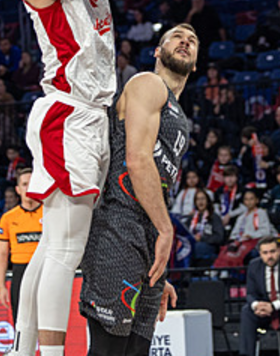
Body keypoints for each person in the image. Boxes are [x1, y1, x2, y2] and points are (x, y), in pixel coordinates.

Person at [0, 0, 140, 356]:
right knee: (64, 249)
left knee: (55, 245)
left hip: (87, 115)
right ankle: (51, 353)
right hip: (67, 113)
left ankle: (24, 348)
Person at [79, 24, 198, 355]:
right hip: (118, 225)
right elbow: (138, 160)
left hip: (143, 242)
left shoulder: (178, 113)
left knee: (136, 351)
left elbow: (158, 182)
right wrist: (165, 229)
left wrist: (154, 269)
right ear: (157, 52)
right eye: (176, 37)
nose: (185, 42)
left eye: (192, 41)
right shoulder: (148, 83)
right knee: (109, 349)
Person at [0, 168, 43, 322]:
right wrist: (2, 286)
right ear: (18, 189)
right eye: (24, 184)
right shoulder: (8, 218)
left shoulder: (49, 213)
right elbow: (2, 254)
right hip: (20, 271)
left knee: (47, 322)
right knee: (21, 323)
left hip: (45, 270)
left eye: (31, 183)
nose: (28, 187)